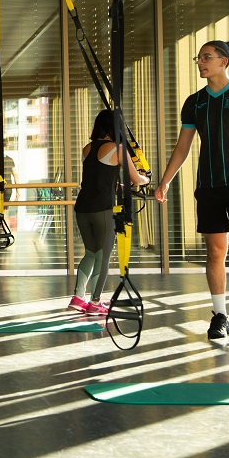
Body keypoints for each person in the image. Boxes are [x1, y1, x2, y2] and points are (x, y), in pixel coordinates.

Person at [155, 40, 229, 341]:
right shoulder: (194, 102)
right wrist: (165, 180)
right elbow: (183, 146)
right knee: (215, 252)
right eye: (198, 58)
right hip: (209, 186)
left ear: (224, 61)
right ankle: (221, 317)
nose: (200, 62)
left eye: (207, 57)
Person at [69, 109, 149, 315]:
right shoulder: (118, 149)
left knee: (90, 252)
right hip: (102, 209)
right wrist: (145, 178)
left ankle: (78, 297)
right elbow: (137, 179)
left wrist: (119, 186)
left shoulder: (87, 149)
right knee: (103, 256)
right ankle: (95, 301)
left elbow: (99, 178)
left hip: (82, 208)